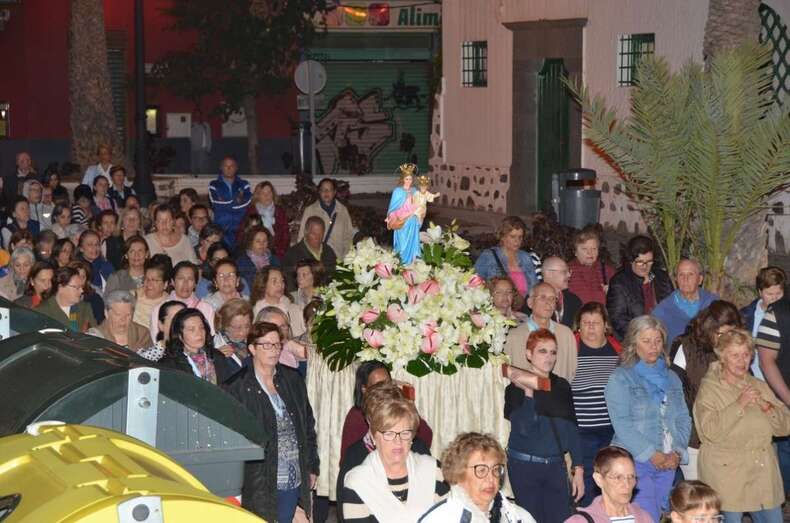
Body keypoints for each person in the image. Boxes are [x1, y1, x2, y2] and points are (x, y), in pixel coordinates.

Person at [225, 321, 319, 522]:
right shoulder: (237, 387)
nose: (274, 350)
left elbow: (307, 425)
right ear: (252, 348)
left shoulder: (292, 378)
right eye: (267, 345)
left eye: (277, 344)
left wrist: (312, 465)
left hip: (293, 472)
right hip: (260, 477)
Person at [695, 329, 790, 523]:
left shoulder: (759, 385)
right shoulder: (710, 388)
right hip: (727, 475)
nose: (742, 360)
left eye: (746, 354)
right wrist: (740, 403)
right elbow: (710, 432)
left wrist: (766, 406)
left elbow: (785, 427)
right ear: (722, 357)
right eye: (735, 355)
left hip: (763, 472)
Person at [604, 315, 691, 522]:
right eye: (646, 341)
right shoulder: (621, 377)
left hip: (668, 460)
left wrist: (677, 452)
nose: (653, 346)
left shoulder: (672, 378)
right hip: (634, 461)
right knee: (646, 515)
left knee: (661, 514)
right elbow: (622, 424)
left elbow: (683, 417)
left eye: (657, 340)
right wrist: (652, 454)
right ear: (634, 344)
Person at [503, 329, 583, 523]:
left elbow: (572, 428)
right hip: (524, 467)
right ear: (529, 354)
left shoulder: (562, 386)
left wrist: (579, 469)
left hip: (556, 466)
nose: (549, 357)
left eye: (553, 352)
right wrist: (529, 393)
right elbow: (524, 429)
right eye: (542, 351)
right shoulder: (515, 388)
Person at [340, 390, 448, 523]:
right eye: (389, 433)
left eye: (405, 433)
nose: (398, 441)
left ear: (412, 436)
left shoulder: (433, 470)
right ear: (374, 436)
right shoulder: (358, 482)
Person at [669, 300, 743, 481]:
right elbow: (676, 395)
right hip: (695, 437)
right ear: (709, 328)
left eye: (731, 333)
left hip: (730, 435)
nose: (728, 339)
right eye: (721, 333)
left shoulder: (738, 349)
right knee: (700, 496)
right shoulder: (686, 348)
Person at [419, 432, 535, 523]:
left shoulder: (519, 517)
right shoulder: (439, 519)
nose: (491, 479)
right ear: (458, 474)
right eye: (481, 470)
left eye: (495, 470)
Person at [570, 302, 622, 506]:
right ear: (579, 326)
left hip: (612, 430)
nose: (591, 328)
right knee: (588, 485)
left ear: (605, 326)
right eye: (586, 323)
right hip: (583, 430)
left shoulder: (617, 351)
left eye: (596, 323)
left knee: (612, 480)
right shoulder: (571, 349)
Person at [341, 362, 434, 462]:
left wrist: (409, 403)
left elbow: (425, 439)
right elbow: (348, 460)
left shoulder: (399, 409)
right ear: (364, 389)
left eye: (388, 383)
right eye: (378, 385)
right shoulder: (356, 416)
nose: (384, 389)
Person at [504, 282, 577, 382]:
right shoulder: (513, 336)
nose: (548, 302)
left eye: (552, 298)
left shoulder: (566, 334)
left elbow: (572, 372)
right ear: (530, 303)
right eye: (543, 297)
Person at [606, 235, 674, 340]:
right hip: (634, 340)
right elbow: (618, 319)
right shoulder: (619, 282)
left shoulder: (662, 278)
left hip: (663, 337)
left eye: (649, 261)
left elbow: (673, 309)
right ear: (631, 261)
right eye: (640, 262)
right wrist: (643, 337)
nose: (645, 266)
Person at [564, 446, 652, 523]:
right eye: (618, 477)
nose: (627, 485)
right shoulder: (579, 521)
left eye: (631, 477)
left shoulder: (644, 518)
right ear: (599, 479)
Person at [474, 216, 540, 311]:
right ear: (502, 237)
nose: (517, 241)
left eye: (520, 237)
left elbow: (535, 287)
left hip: (524, 311)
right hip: (498, 311)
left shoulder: (526, 257)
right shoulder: (489, 256)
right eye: (512, 236)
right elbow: (474, 284)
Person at [653, 259, 718, 346]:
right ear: (676, 279)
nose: (685, 279)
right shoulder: (662, 311)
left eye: (690, 274)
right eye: (681, 275)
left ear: (700, 279)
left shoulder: (714, 304)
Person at [158, 307, 231, 384]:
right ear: (179, 335)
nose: (199, 333)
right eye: (191, 329)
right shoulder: (169, 365)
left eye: (202, 328)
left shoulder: (217, 357)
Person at [150, 261, 214, 340]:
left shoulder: (206, 308)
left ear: (195, 284)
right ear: (173, 282)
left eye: (190, 279)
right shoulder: (159, 309)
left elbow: (211, 337)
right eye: (181, 278)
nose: (185, 283)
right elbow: (157, 340)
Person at [742, 266, 785, 380]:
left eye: (779, 294)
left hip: (780, 379)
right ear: (760, 292)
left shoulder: (786, 315)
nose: (775, 299)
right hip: (753, 378)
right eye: (769, 294)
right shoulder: (745, 316)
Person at [299, 178, 354, 261]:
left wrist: (346, 258)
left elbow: (349, 236)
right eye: (323, 190)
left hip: (338, 258)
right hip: (316, 259)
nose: (326, 192)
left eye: (329, 190)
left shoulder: (342, 210)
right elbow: (302, 236)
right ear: (319, 192)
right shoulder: (310, 210)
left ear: (334, 192)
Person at [208, 156, 251, 252]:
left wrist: (225, 201)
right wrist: (237, 201)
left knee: (240, 256)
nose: (228, 168)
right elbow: (216, 203)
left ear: (236, 168)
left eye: (232, 165)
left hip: (241, 228)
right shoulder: (214, 184)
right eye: (225, 165)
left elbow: (247, 202)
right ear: (220, 167)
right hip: (221, 228)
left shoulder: (244, 184)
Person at [283, 216, 337, 291]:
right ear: (306, 232)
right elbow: (290, 282)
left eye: (320, 234)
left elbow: (334, 276)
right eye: (314, 234)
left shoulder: (329, 252)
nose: (317, 238)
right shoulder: (293, 254)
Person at [37, 265, 97, 332]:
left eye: (81, 287)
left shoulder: (85, 307)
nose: (81, 291)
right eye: (77, 287)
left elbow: (95, 334)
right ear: (61, 287)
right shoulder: (41, 312)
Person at [251, 267, 306, 337]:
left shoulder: (295, 309)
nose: (280, 285)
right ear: (263, 285)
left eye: (282, 281)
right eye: (274, 281)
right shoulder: (255, 313)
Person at [567, 226, 615, 306]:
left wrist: (612, 294)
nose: (590, 253)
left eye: (593, 249)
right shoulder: (566, 271)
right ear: (575, 252)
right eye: (584, 249)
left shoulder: (607, 271)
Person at [385, 164, 422, 265]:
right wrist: (393, 217)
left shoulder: (414, 190)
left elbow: (419, 204)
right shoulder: (398, 191)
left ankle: (412, 259)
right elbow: (393, 208)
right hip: (402, 222)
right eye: (407, 179)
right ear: (403, 179)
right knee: (402, 244)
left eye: (410, 179)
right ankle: (402, 260)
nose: (409, 181)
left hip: (412, 222)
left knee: (412, 239)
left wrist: (418, 212)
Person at [256, 306, 308, 374]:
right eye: (274, 327)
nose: (280, 331)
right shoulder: (261, 353)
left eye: (283, 326)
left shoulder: (293, 344)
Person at [246, 181, 290, 257]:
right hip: (256, 251)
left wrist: (280, 252)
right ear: (258, 195)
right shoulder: (252, 211)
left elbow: (285, 235)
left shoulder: (279, 211)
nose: (266, 196)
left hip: (277, 251)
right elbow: (245, 234)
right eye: (263, 193)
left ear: (273, 194)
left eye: (269, 192)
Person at [213, 298, 253, 377]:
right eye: (238, 327)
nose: (243, 332)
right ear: (224, 325)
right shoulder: (212, 347)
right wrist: (216, 358)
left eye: (247, 326)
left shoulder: (256, 341)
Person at [542, 256, 582, 328]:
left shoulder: (574, 301)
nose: (569, 275)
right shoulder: (534, 299)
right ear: (549, 274)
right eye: (564, 272)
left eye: (569, 271)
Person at [236, 226, 280, 290]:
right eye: (258, 241)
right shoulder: (241, 262)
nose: (262, 244)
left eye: (264, 241)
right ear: (250, 242)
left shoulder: (274, 260)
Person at [133, 254, 170, 330]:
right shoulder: (132, 296)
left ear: (165, 284)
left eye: (154, 280)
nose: (149, 284)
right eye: (147, 279)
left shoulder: (169, 306)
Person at [77, 230, 113, 294]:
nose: (94, 248)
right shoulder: (76, 268)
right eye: (90, 244)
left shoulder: (107, 266)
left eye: (97, 244)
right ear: (81, 248)